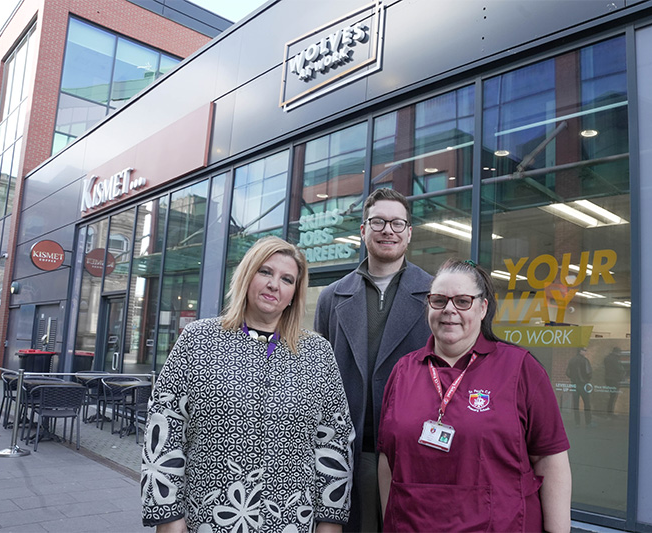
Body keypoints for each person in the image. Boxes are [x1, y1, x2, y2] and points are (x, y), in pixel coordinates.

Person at [142, 236, 354, 533]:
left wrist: (330, 520)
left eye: (287, 279)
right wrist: (167, 514)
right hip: (209, 516)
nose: (274, 284)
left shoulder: (317, 352)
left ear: (294, 293)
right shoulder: (197, 339)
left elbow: (334, 440)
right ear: (246, 275)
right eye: (265, 272)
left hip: (291, 519)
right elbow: (164, 429)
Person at [377, 259, 571, 532]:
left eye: (462, 301)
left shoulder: (520, 369)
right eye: (439, 300)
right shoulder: (403, 371)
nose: (449, 310)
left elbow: (550, 460)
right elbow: (387, 459)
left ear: (482, 308)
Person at [315, 188, 432, 532]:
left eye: (398, 223)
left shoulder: (435, 294)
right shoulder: (331, 297)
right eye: (378, 221)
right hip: (350, 452)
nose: (388, 230)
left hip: (418, 449)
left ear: (409, 233)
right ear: (363, 230)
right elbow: (319, 376)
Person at [566, 347, 593, 426]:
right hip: (583, 384)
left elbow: (567, 373)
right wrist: (586, 380)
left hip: (574, 384)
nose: (585, 352)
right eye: (584, 350)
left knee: (576, 404)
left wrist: (573, 378)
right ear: (580, 351)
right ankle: (588, 422)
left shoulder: (572, 360)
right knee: (587, 403)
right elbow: (589, 373)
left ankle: (577, 422)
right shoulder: (584, 360)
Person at [603, 347, 626, 416]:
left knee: (611, 396)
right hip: (614, 379)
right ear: (617, 352)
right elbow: (619, 369)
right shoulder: (615, 359)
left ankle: (609, 413)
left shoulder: (607, 358)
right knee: (613, 397)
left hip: (607, 379)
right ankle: (610, 413)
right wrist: (623, 373)